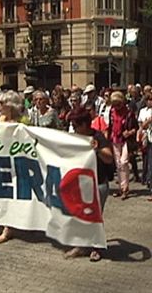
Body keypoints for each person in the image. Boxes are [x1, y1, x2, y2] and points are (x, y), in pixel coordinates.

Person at [64, 107, 114, 261]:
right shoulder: (76, 139)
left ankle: (96, 247)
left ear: (84, 125)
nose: (74, 128)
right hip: (80, 185)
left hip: (98, 184)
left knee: (94, 217)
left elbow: (109, 158)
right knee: (80, 217)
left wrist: (97, 149)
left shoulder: (98, 137)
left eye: (76, 125)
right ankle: (82, 246)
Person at [0, 90, 29, 243]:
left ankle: (12, 225)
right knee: (5, 194)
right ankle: (7, 226)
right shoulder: (0, 119)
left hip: (19, 162)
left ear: (10, 106)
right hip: (2, 160)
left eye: (2, 103)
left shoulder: (23, 122)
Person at [107, 91, 138, 200]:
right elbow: (110, 126)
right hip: (115, 139)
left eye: (118, 104)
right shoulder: (111, 112)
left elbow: (136, 127)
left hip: (125, 140)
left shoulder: (129, 113)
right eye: (114, 104)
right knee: (118, 164)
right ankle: (122, 187)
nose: (116, 106)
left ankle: (125, 188)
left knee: (124, 162)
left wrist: (129, 132)